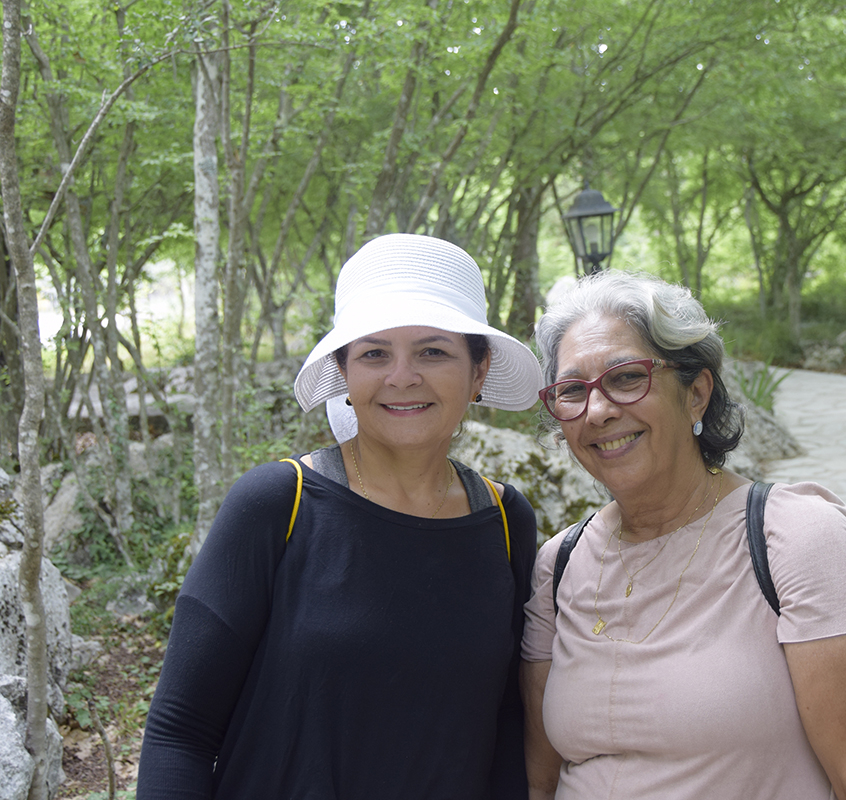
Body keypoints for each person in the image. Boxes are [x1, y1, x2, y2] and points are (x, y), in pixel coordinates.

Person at [137, 233, 544, 800]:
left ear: (479, 372)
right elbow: (180, 731)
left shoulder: (504, 520)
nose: (402, 376)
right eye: (374, 353)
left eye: (433, 351)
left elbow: (505, 721)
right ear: (344, 373)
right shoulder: (277, 503)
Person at [520, 271, 846, 800]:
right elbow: (541, 781)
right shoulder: (559, 566)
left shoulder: (797, 539)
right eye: (573, 390)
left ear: (697, 394)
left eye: (626, 377)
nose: (597, 410)